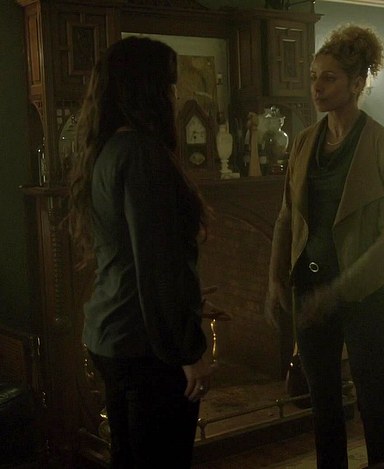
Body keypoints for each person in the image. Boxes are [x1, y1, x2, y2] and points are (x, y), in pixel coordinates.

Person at [67, 36, 214, 467]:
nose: (175, 95)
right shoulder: (141, 154)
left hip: (115, 334)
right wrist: (189, 351)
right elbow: (158, 265)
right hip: (144, 346)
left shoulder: (110, 149)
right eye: (169, 85)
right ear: (148, 90)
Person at [264, 24, 384, 469]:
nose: (317, 88)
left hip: (362, 294)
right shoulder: (304, 142)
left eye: (329, 78)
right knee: (322, 400)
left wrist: (338, 291)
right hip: (308, 289)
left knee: (371, 395)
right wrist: (274, 279)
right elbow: (286, 217)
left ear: (358, 83)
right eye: (313, 77)